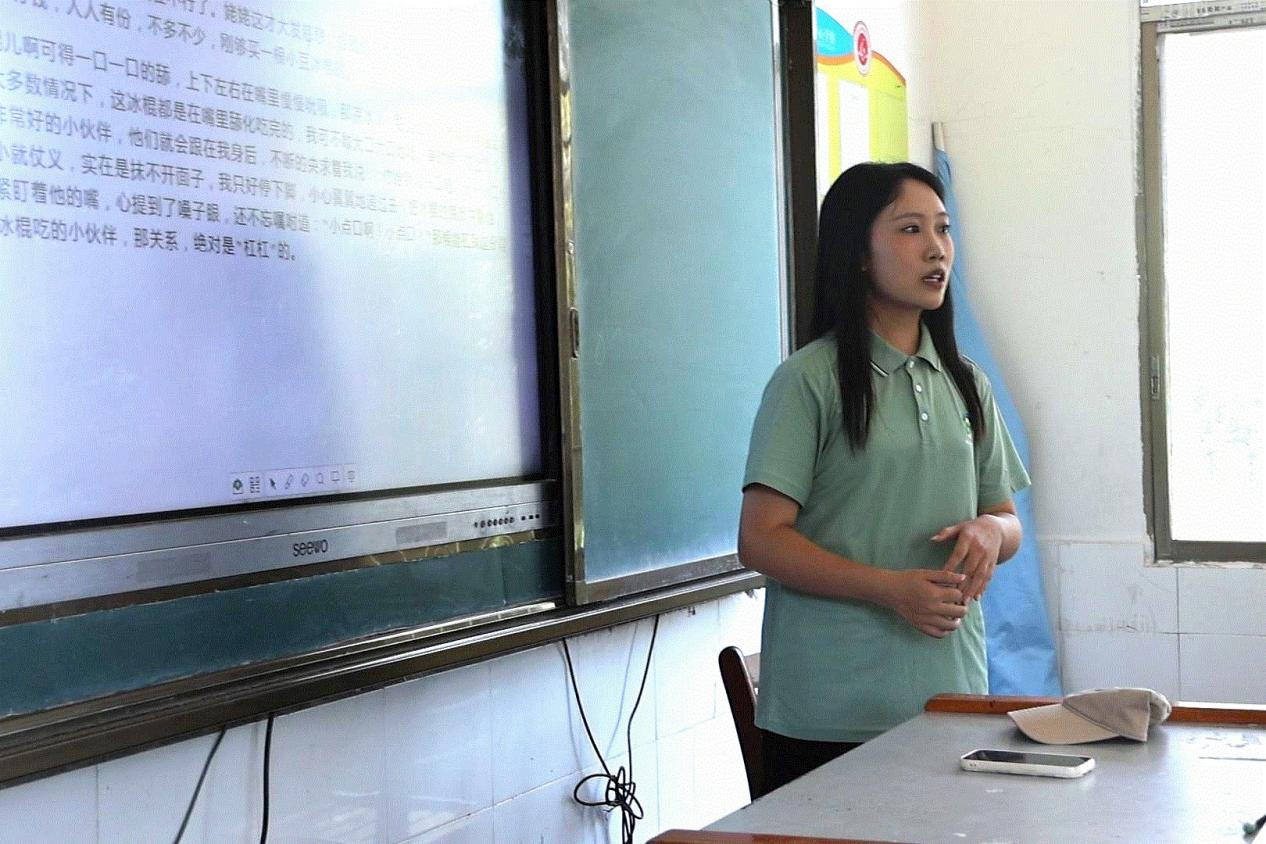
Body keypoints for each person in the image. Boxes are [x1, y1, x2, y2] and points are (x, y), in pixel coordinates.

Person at [737, 161, 1031, 792]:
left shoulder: (967, 383)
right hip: (828, 716)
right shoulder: (807, 382)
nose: (937, 248)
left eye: (943, 229)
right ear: (859, 253)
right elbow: (760, 540)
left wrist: (990, 531)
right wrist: (890, 590)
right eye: (910, 229)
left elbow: (1008, 521)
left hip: (950, 701)